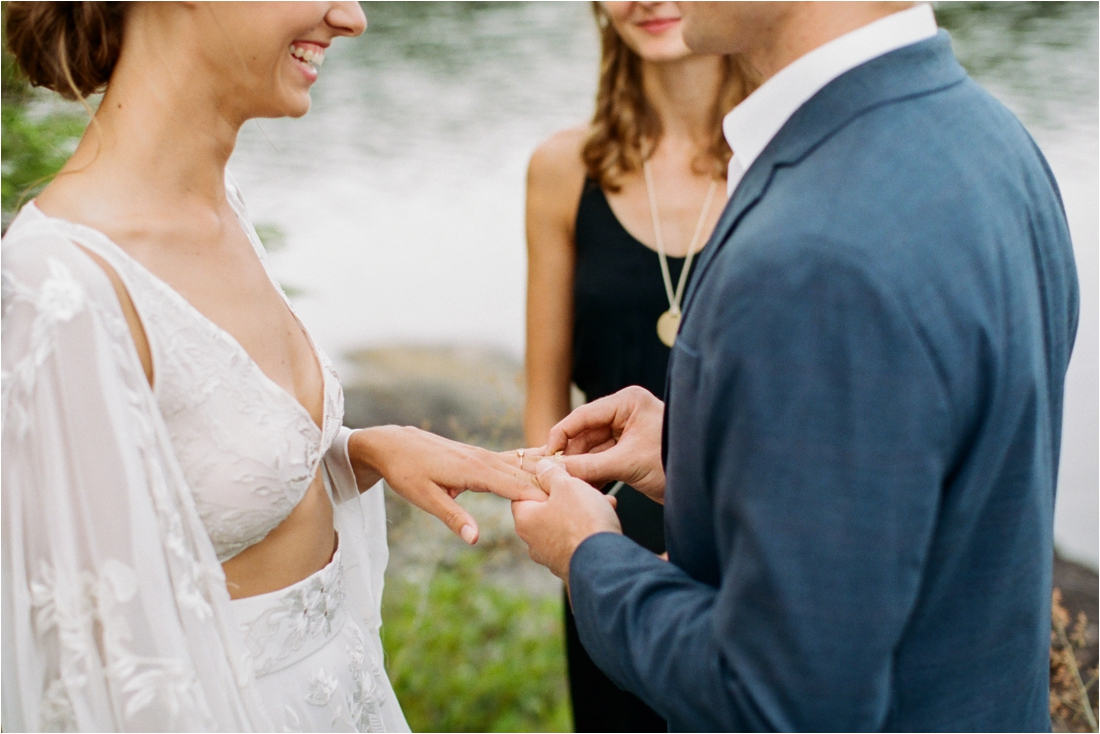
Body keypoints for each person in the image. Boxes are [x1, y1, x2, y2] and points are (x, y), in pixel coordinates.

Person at [512, 2, 1079, 730]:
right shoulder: (996, 142)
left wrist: (589, 555)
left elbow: (780, 700)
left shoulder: (808, 256)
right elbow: (931, 498)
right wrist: (698, 456)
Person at [0, 3, 545, 731]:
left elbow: (195, 480)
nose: (351, 17)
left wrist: (351, 452)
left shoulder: (220, 207)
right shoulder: (58, 286)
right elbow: (90, 668)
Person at [523, 2, 753, 729]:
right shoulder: (563, 169)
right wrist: (573, 549)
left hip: (749, 540)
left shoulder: (777, 164)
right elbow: (544, 405)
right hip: (608, 540)